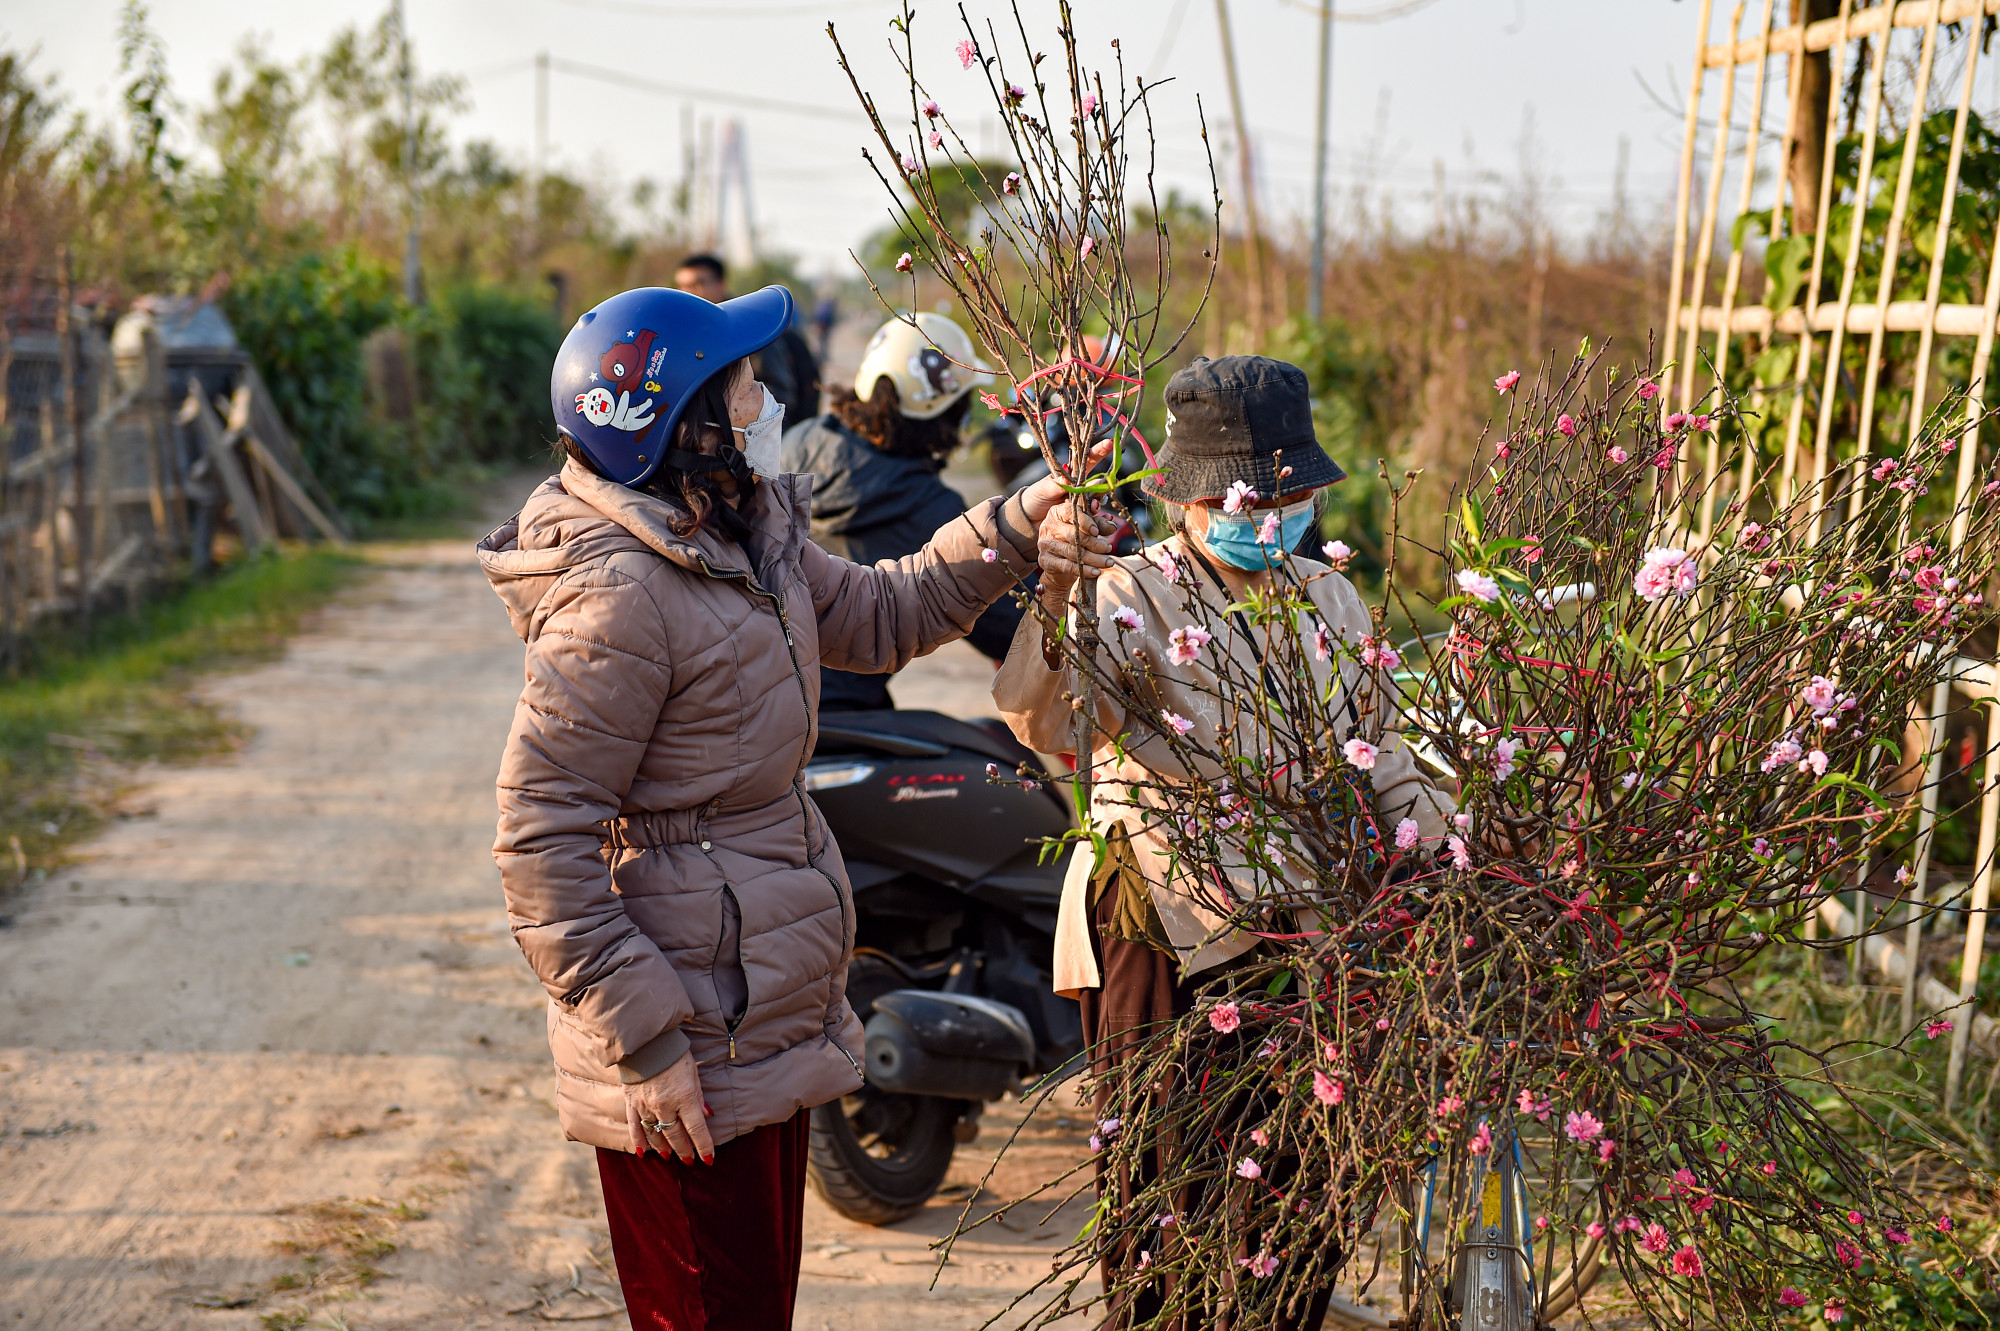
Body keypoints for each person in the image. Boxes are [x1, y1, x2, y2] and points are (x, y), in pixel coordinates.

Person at [477, 284, 1110, 1329]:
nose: (768, 399)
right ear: (683, 426)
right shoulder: (618, 596)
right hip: (682, 1033)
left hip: (754, 1012)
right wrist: (646, 1044)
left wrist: (1009, 525)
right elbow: (540, 838)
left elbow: (878, 611)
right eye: (742, 386)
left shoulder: (740, 536)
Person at [992, 354, 1457, 1330]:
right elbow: (1048, 724)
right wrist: (1052, 594)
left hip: (1306, 926)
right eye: (1250, 496)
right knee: (1169, 1192)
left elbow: (1378, 750)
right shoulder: (1125, 595)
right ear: (1191, 496)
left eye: (1287, 497)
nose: (1269, 515)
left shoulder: (1328, 597)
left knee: (1300, 1190)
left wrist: (1445, 855)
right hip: (1165, 923)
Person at [781, 312, 1025, 711]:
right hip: (841, 712)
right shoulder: (928, 507)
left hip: (768, 698)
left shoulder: (800, 440)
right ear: (944, 411)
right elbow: (1008, 627)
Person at [674, 253, 822, 426]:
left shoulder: (747, 327)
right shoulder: (692, 330)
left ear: (721, 284)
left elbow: (779, 394)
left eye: (697, 284)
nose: (688, 292)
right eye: (682, 286)